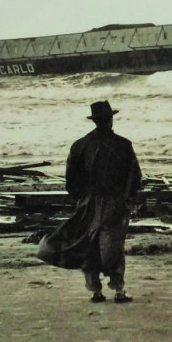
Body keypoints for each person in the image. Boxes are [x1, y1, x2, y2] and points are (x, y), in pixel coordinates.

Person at [65, 100, 143, 303]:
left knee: (89, 245)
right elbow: (135, 175)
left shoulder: (79, 145)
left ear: (95, 121)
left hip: (88, 201)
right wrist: (128, 197)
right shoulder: (124, 144)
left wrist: (80, 199)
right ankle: (118, 290)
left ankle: (95, 291)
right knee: (114, 244)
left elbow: (70, 179)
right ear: (110, 119)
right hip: (115, 200)